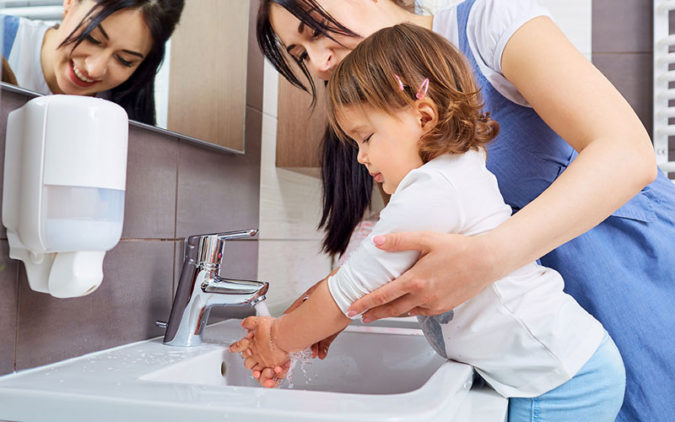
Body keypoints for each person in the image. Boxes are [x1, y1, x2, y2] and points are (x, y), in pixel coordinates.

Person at [255, 1, 675, 421]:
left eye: (314, 32)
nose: (320, 63)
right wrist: (334, 303)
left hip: (633, 275)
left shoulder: (486, 24)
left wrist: (486, 259)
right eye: (301, 56)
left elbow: (629, 154)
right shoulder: (396, 120)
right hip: (548, 328)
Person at [1, 0, 184, 124]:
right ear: (70, 3)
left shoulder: (125, 112)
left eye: (124, 60)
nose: (94, 69)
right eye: (92, 38)